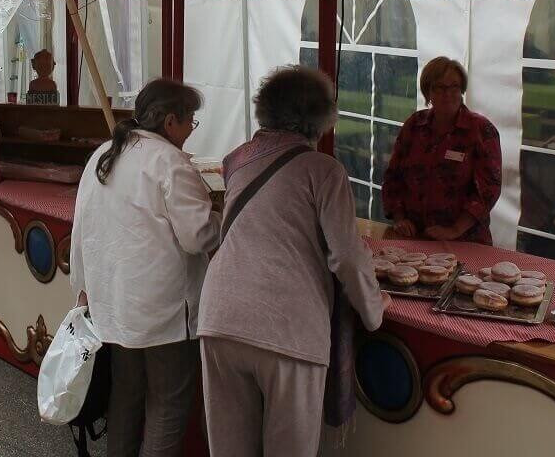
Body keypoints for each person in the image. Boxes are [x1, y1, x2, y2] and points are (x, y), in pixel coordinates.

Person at [197, 66, 387, 456]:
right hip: (287, 327)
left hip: (219, 317)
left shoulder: (238, 159)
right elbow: (348, 257)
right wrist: (373, 311)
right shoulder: (323, 170)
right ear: (321, 118)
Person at [69, 78, 220, 457]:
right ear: (171, 121)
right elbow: (198, 236)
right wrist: (222, 215)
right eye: (190, 122)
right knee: (168, 404)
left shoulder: (104, 153)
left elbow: (81, 228)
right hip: (164, 310)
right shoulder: (169, 162)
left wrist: (84, 287)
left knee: (126, 396)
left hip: (113, 302)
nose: (190, 131)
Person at [381, 56, 502, 244]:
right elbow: (393, 176)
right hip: (414, 237)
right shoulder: (414, 125)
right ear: (428, 92)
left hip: (465, 241)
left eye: (454, 87)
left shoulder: (480, 130)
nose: (448, 94)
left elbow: (489, 189)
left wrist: (454, 230)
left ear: (461, 90)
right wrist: (399, 218)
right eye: (440, 87)